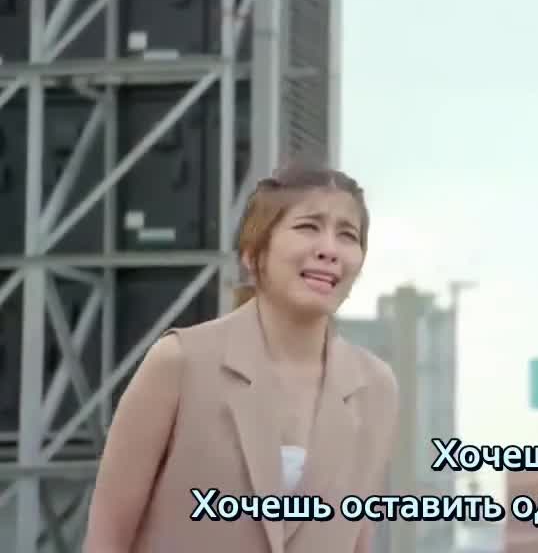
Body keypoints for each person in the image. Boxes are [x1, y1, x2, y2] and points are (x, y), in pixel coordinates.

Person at [83, 164, 399, 553]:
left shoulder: (375, 387)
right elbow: (107, 539)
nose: (329, 250)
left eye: (347, 235)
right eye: (308, 227)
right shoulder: (179, 363)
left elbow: (357, 538)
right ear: (253, 254)